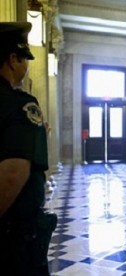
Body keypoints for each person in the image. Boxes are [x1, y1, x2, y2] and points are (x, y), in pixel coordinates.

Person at [0, 22, 57, 275]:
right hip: (12, 235)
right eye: (24, 59)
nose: (26, 66)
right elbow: (13, 173)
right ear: (13, 60)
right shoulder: (19, 104)